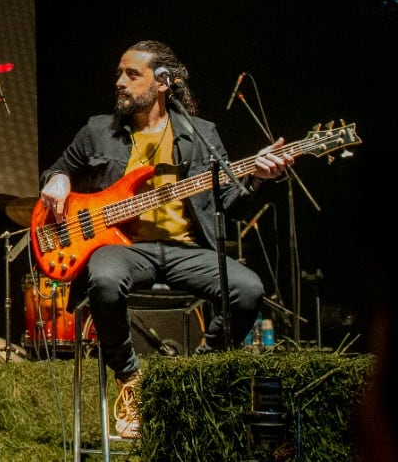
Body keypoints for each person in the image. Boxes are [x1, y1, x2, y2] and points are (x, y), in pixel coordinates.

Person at [38, 40, 293, 439]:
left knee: (248, 289)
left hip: (187, 249)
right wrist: (57, 178)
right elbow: (55, 171)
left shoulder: (201, 134)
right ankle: (130, 379)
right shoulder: (97, 131)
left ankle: (196, 375)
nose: (120, 82)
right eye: (120, 73)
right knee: (104, 281)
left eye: (131, 74)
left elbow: (229, 203)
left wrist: (257, 178)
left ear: (162, 82)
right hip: (125, 249)